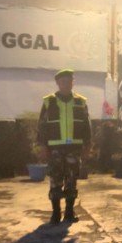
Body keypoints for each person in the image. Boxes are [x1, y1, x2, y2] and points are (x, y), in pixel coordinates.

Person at [37, 69, 92, 224]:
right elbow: (42, 126)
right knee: (55, 180)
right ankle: (56, 213)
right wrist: (42, 147)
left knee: (71, 180)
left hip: (74, 148)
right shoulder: (49, 102)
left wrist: (88, 146)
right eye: (63, 81)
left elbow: (87, 126)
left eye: (69, 81)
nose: (66, 84)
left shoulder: (80, 102)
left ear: (73, 82)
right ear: (58, 83)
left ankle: (69, 212)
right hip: (54, 149)